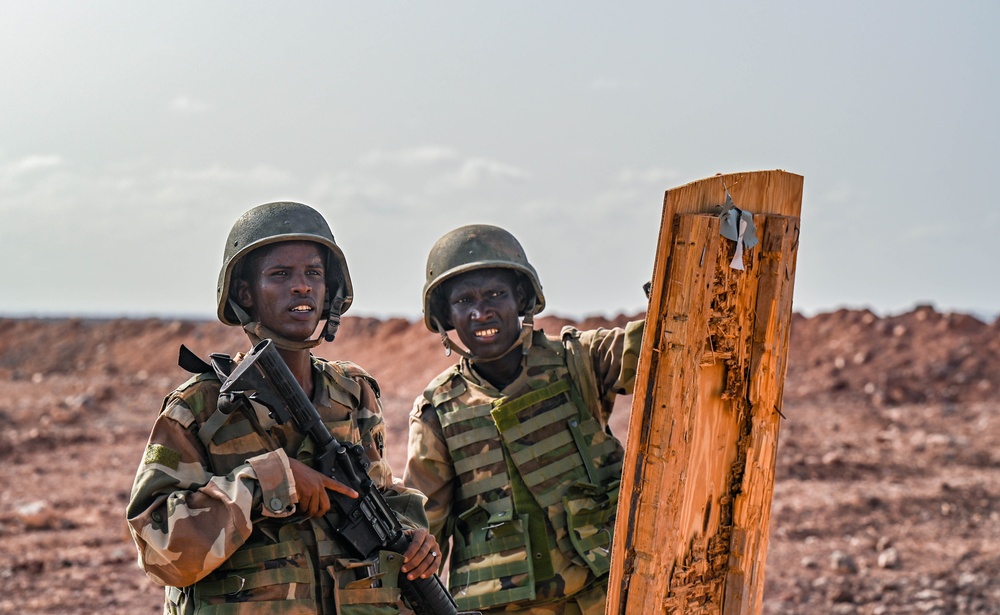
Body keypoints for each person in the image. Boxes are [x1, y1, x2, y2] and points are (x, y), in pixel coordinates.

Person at [126, 201, 440, 614]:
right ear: (244, 293)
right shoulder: (199, 408)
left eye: (313, 273)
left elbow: (378, 494)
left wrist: (414, 535)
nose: (302, 286)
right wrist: (267, 481)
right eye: (280, 274)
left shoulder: (352, 392)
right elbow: (159, 550)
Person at [403, 224, 643, 614]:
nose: (482, 312)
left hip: (608, 593)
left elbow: (661, 344)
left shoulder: (578, 360)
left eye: (495, 294)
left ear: (521, 297)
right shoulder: (438, 411)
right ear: (446, 315)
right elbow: (423, 531)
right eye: (464, 301)